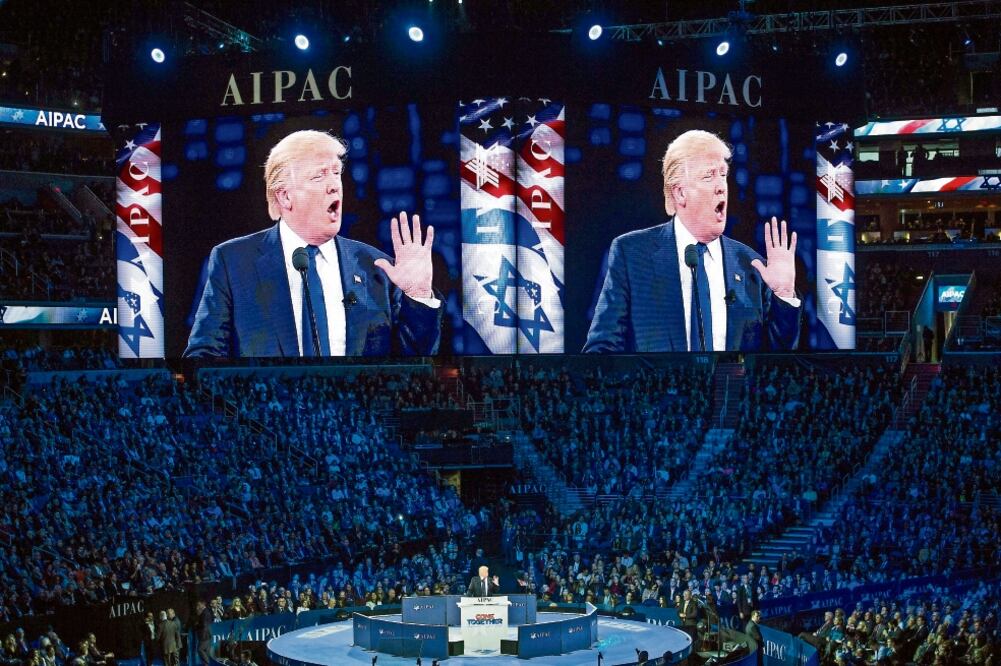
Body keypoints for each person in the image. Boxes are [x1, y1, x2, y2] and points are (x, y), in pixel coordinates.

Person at [185, 129, 443, 358]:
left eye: (336, 173)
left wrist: (417, 297)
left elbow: (413, 363)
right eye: (319, 177)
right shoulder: (234, 262)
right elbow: (204, 355)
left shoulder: (375, 267)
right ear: (285, 196)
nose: (334, 186)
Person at [584, 129, 801, 353]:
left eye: (723, 174)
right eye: (709, 176)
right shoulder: (632, 254)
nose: (721, 186)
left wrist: (783, 295)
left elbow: (779, 362)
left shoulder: (752, 266)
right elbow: (602, 350)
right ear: (680, 193)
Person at [195, 601, 213, 666]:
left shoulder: (205, 613)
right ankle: (206, 664)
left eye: (199, 605)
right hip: (206, 634)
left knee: (200, 649)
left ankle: (207, 662)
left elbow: (204, 625)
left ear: (203, 604)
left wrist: (197, 624)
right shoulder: (205, 612)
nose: (198, 607)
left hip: (204, 635)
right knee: (205, 651)